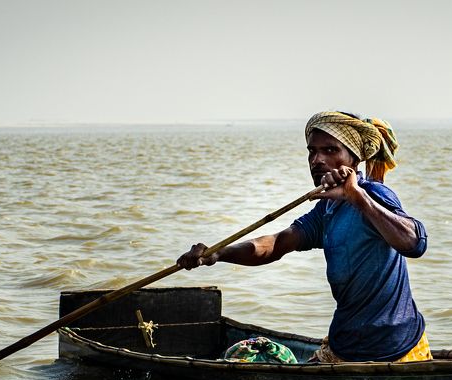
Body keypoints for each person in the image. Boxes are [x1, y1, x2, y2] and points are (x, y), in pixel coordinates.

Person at [177, 111, 430, 363]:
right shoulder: (326, 209)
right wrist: (217, 254)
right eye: (312, 151)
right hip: (346, 343)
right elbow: (276, 244)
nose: (317, 160)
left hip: (394, 346)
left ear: (353, 159)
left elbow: (414, 243)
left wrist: (357, 196)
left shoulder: (372, 194)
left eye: (330, 150)